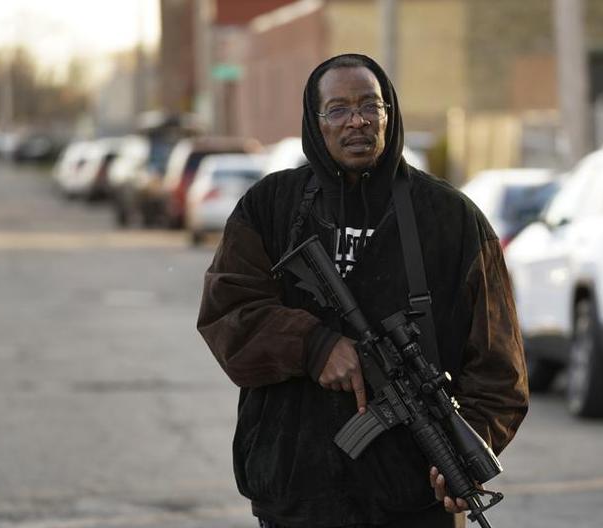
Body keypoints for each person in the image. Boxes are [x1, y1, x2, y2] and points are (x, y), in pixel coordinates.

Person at [197, 53, 528, 528]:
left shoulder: (452, 219)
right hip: (297, 495)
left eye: (370, 106)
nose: (357, 120)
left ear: (389, 114)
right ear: (316, 123)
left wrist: (464, 452)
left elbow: (500, 368)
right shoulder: (269, 207)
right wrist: (314, 346)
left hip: (413, 501)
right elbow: (226, 312)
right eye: (338, 109)